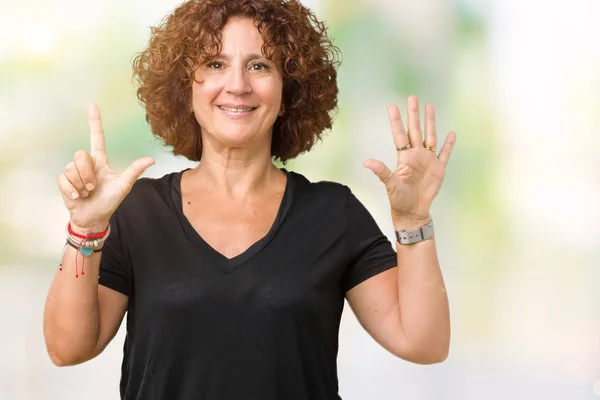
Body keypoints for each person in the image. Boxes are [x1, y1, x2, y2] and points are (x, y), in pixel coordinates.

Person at [43, 0, 456, 399]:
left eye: (259, 66)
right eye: (215, 64)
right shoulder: (139, 212)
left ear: (289, 89)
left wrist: (413, 219)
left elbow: (424, 343)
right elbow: (68, 349)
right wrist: (85, 228)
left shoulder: (333, 213)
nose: (237, 85)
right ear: (186, 87)